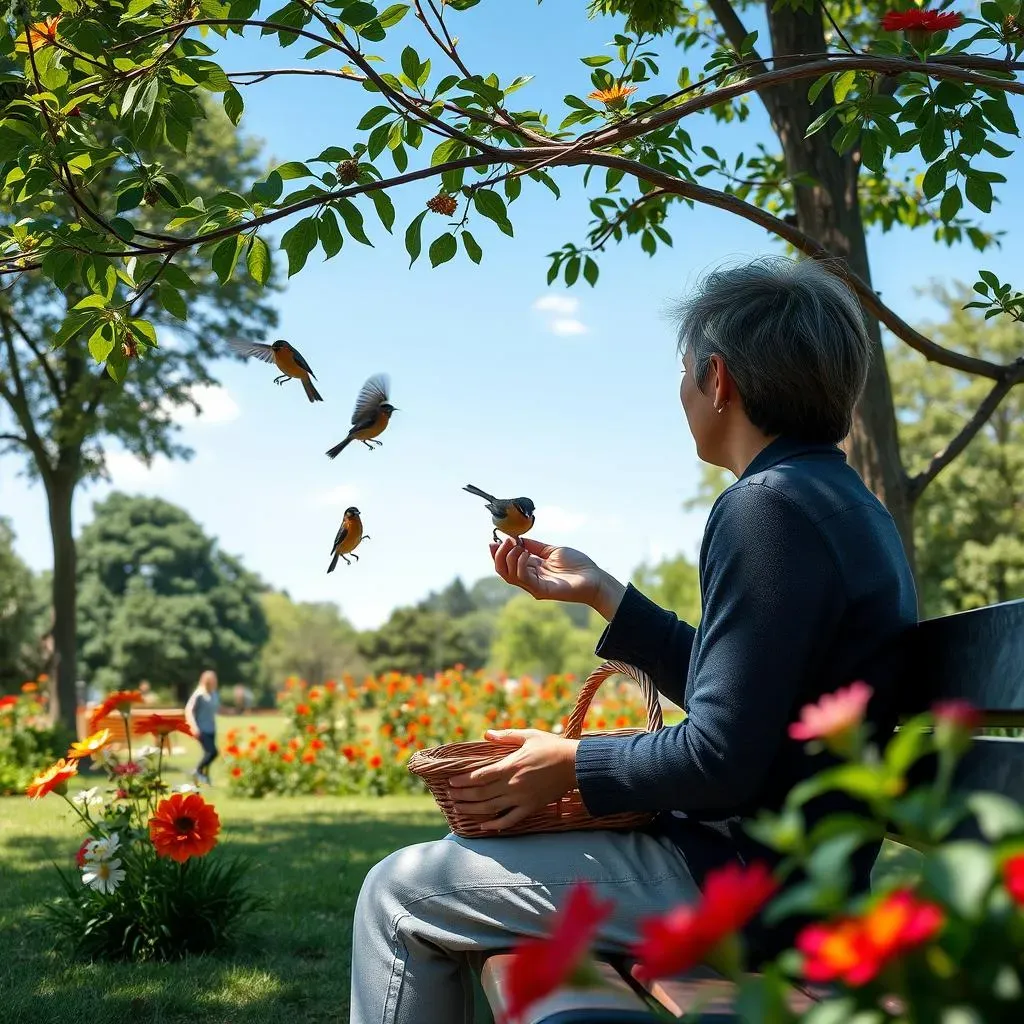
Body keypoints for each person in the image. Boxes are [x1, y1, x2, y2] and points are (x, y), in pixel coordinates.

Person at [349, 256, 918, 1024]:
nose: (681, 391)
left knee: (399, 894)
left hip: (749, 892)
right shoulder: (840, 502)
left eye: (684, 371)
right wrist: (604, 594)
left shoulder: (764, 509)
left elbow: (720, 757)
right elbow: (757, 701)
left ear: (718, 379)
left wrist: (572, 762)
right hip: (793, 876)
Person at [185, 669, 220, 785]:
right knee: (213, 752)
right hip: (201, 729)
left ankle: (205, 777)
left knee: (207, 753)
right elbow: (189, 710)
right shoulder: (199, 694)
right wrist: (193, 727)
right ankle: (197, 770)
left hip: (211, 728)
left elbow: (217, 708)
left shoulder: (214, 693)